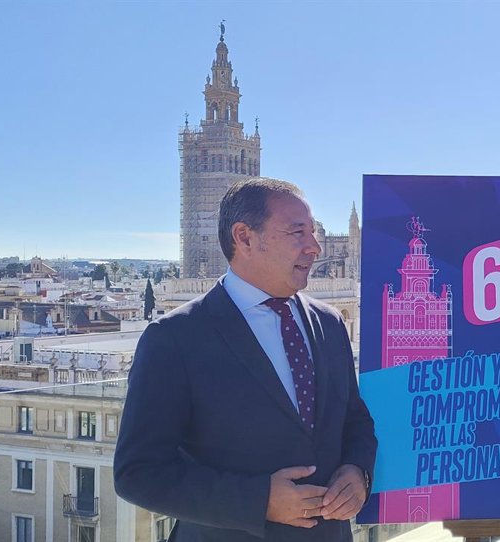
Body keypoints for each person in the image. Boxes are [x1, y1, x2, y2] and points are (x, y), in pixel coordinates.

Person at [115, 178, 377, 541]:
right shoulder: (174, 338)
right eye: (297, 232)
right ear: (245, 238)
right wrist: (258, 501)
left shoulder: (329, 323)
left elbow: (355, 420)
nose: (315, 247)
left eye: (313, 233)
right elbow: (138, 474)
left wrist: (358, 471)